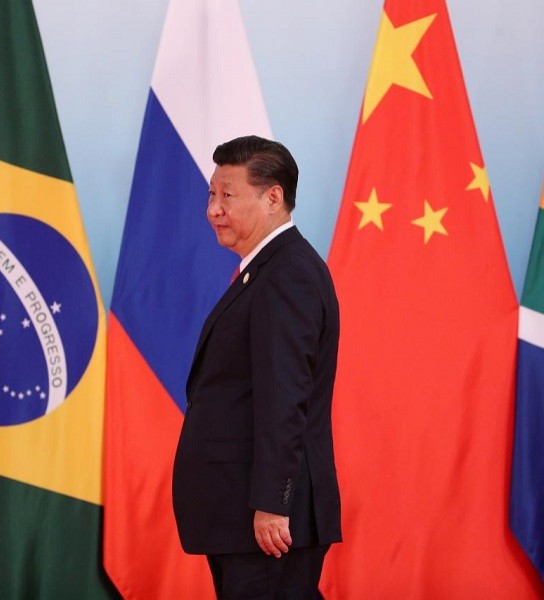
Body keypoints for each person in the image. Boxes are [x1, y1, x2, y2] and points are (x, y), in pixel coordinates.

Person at [173, 135, 341, 599]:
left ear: (273, 198)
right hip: (242, 516)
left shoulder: (287, 275)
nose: (213, 209)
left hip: (267, 524)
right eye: (211, 194)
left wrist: (273, 502)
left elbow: (285, 399)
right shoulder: (266, 270)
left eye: (228, 195)